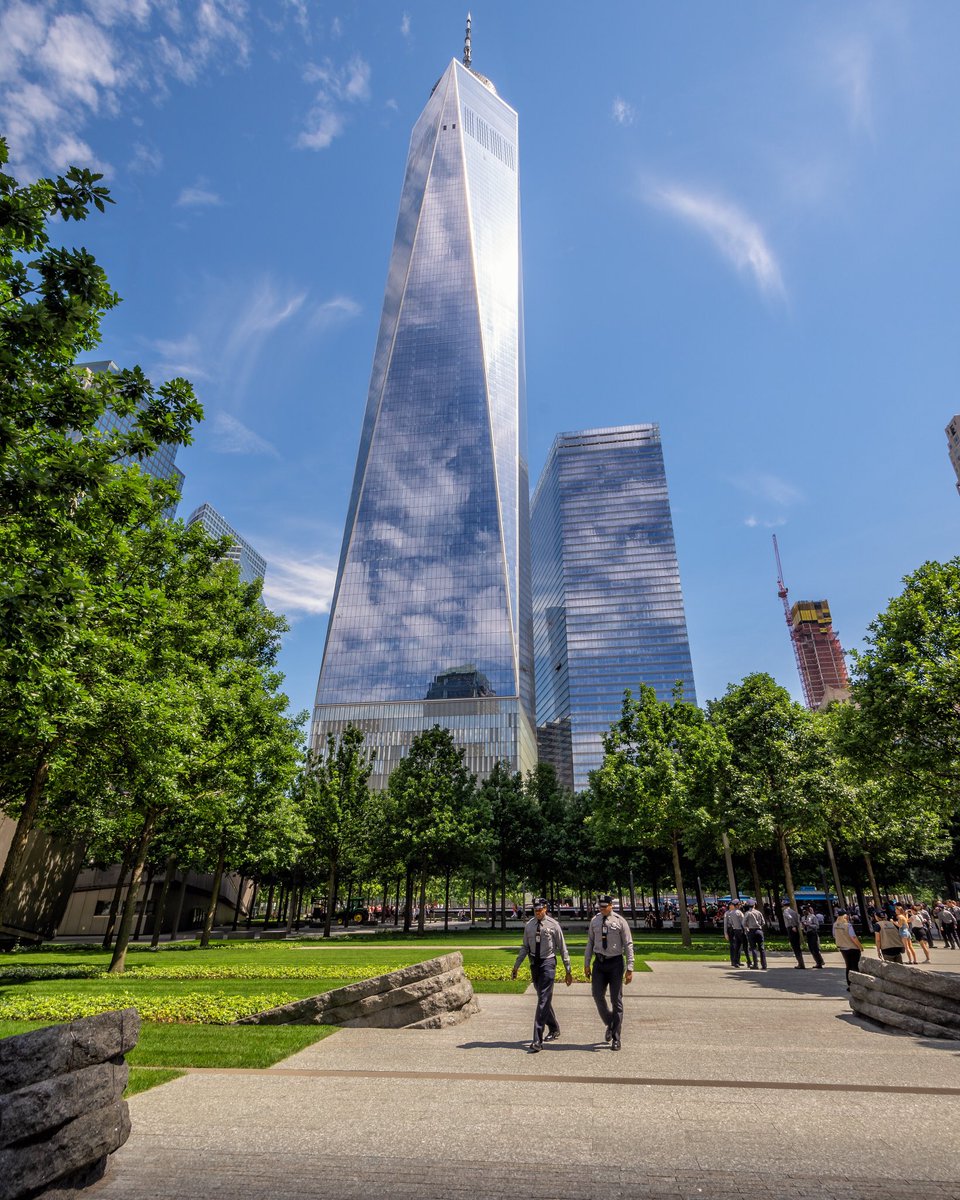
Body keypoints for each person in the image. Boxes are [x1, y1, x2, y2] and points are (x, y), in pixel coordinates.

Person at [512, 897, 572, 1053]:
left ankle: (537, 1039)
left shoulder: (554, 925)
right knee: (542, 999)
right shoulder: (529, 925)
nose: (538, 912)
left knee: (544, 999)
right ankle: (554, 1027)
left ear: (545, 909)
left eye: (540, 910)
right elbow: (525, 947)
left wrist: (568, 970)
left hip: (548, 963)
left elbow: (562, 948)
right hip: (535, 964)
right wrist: (516, 966)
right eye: (535, 910)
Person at [584, 895, 634, 1051]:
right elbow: (590, 942)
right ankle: (610, 1023)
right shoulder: (595, 921)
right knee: (597, 995)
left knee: (616, 1000)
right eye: (600, 907)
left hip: (615, 964)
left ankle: (616, 1038)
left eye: (605, 906)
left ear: (611, 906)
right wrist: (586, 963)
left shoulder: (620, 921)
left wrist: (630, 967)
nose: (602, 909)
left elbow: (628, 944)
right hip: (599, 963)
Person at [832, 909, 863, 989]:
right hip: (852, 947)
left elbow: (834, 935)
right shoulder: (847, 925)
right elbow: (853, 937)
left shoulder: (835, 925)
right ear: (845, 916)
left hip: (843, 948)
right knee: (855, 966)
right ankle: (857, 983)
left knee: (848, 966)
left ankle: (850, 984)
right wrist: (860, 946)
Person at [781, 898, 805, 968]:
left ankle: (800, 964)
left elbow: (790, 918)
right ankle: (801, 963)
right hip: (796, 928)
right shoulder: (793, 911)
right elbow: (798, 918)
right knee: (797, 946)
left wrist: (793, 926)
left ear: (783, 905)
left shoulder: (786, 911)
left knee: (795, 946)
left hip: (791, 928)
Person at [743, 900, 766, 969]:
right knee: (761, 948)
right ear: (754, 905)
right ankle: (764, 965)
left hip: (751, 930)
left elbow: (744, 923)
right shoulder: (759, 912)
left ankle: (755, 964)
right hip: (759, 930)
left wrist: (747, 927)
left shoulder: (747, 913)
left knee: (753, 948)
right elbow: (763, 922)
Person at [723, 899, 746, 968]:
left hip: (737, 929)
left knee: (738, 945)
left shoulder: (737, 912)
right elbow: (725, 924)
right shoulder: (727, 913)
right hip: (731, 930)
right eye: (731, 905)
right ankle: (733, 961)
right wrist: (725, 933)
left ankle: (738, 960)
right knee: (733, 945)